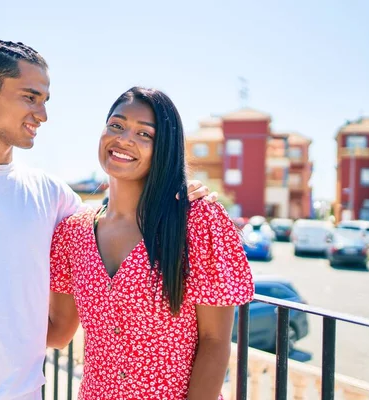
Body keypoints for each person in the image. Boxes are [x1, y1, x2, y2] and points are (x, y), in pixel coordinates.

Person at [0, 41, 214, 400]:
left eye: (45, 100)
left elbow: (64, 322)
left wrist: (179, 194)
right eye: (30, 97)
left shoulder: (54, 197)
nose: (42, 114)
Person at [47, 87, 254, 399]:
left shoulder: (197, 222)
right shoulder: (72, 234)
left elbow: (215, 342)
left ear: (165, 149)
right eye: (116, 125)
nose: (125, 139)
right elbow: (59, 331)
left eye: (145, 134)